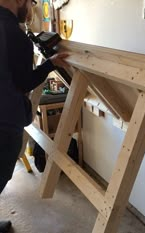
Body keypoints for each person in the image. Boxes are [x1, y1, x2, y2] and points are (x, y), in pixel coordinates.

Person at [0, 0, 69, 232]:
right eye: (30, 2)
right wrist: (49, 65)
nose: (30, 9)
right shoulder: (15, 35)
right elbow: (24, 83)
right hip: (4, 123)